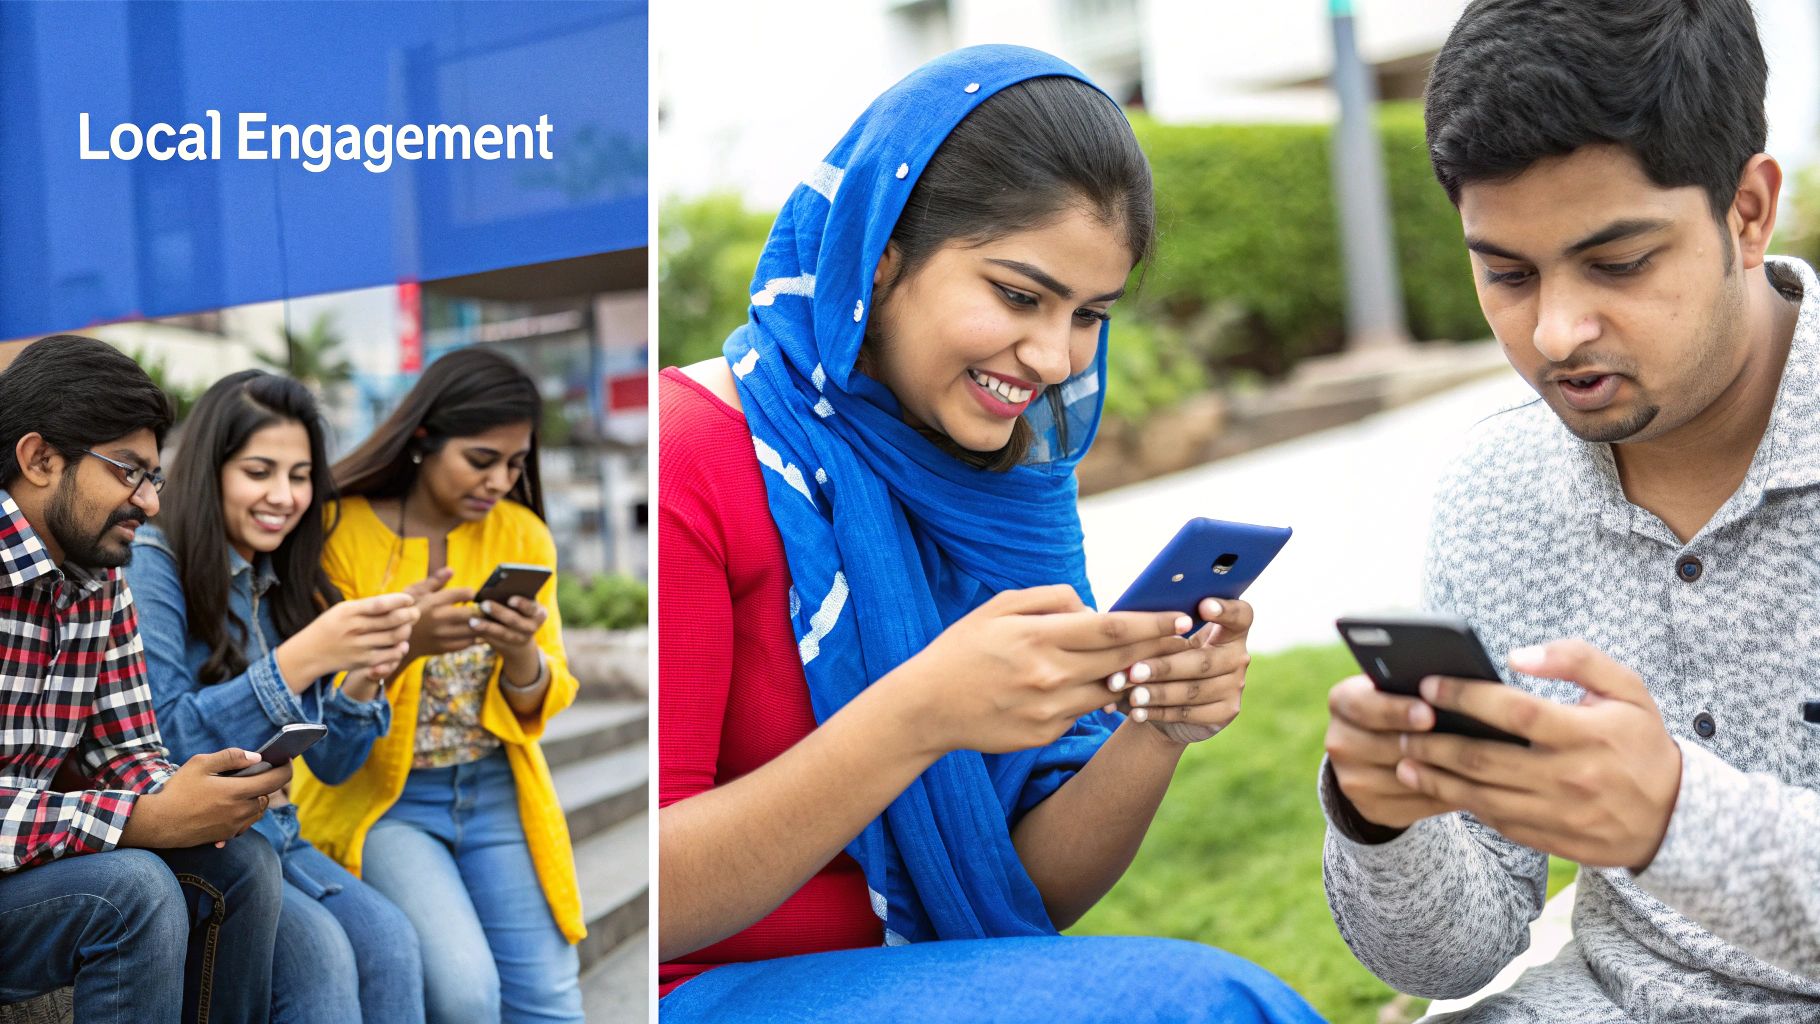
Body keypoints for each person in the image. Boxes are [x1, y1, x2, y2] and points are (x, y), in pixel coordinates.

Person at [658, 46, 1321, 1023]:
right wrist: (918, 715)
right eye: (1017, 295)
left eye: (1088, 314)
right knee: (1207, 1007)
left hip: (924, 977)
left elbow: (1024, 891)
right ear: (877, 258)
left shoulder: (996, 493)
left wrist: (1154, 729)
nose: (1052, 358)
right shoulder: (691, 460)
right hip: (693, 993)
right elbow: (650, 898)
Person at [1319, 2, 1820, 1021]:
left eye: (1617, 262)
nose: (1552, 332)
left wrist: (1673, 819)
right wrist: (1381, 819)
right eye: (1503, 272)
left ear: (1746, 209)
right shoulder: (1494, 489)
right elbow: (1449, 956)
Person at [290, 347, 583, 1024]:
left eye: (514, 463)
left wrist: (520, 656)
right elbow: (321, 718)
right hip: (385, 803)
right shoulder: (339, 531)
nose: (501, 481)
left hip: (497, 789)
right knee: (464, 992)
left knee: (549, 1002)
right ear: (424, 439)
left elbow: (550, 685)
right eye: (482, 460)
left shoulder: (523, 533)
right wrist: (403, 645)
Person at [125, 370, 427, 1024]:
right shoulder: (154, 559)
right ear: (212, 470)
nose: (283, 496)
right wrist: (302, 659)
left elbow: (335, 765)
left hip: (283, 835)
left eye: (299, 476)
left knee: (393, 944)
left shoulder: (284, 574)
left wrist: (364, 676)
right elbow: (162, 739)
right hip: (197, 848)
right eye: (259, 471)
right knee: (325, 962)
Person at [0, 335, 286, 1024]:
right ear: (39, 459)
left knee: (243, 865)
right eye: (129, 471)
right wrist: (138, 818)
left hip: (23, 871)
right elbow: (128, 816)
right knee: (131, 889)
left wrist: (201, 794)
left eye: (153, 476)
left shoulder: (100, 581)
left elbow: (125, 752)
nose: (150, 503)